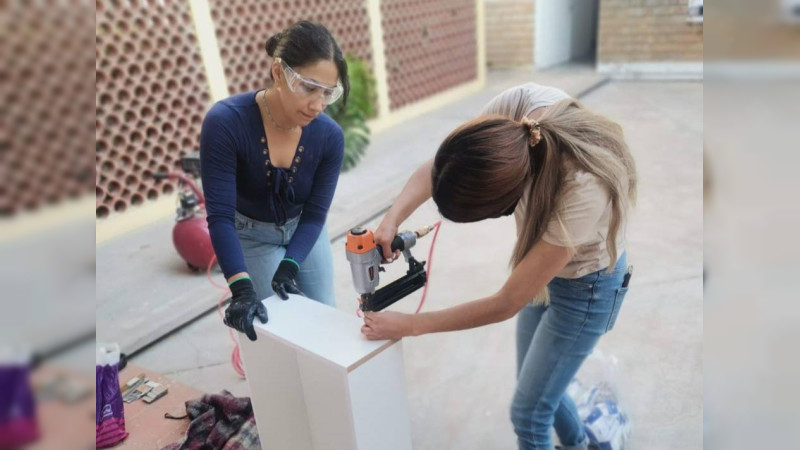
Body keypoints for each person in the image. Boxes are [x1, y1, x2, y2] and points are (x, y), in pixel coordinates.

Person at [362, 83, 637, 450]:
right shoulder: (517, 108)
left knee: (529, 413)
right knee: (537, 389)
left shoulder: (583, 185)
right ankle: (577, 444)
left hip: (587, 291)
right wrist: (391, 220)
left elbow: (506, 303)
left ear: (508, 202)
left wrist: (411, 325)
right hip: (547, 274)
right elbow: (443, 166)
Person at [200, 21, 348, 341]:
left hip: (304, 229)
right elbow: (220, 216)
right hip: (251, 236)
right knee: (281, 329)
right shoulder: (226, 123)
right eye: (308, 87)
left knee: (326, 316)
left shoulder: (329, 137)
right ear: (278, 72)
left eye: (327, 93)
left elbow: (314, 215)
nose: (318, 105)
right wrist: (241, 289)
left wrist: (291, 264)